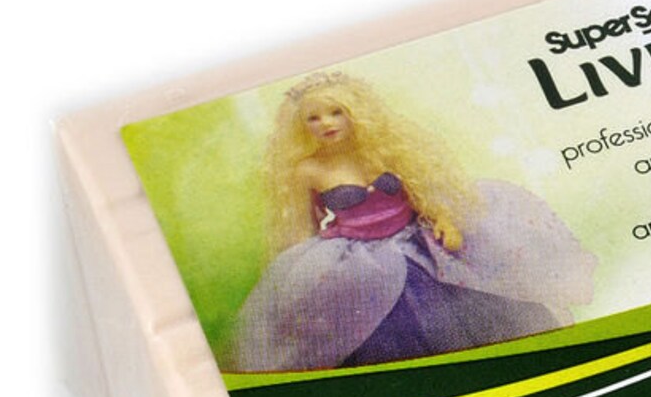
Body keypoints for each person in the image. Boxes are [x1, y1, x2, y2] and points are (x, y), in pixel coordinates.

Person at [230, 71, 595, 371]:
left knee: (473, 312)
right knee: (387, 336)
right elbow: (303, 226)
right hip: (361, 262)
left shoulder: (383, 150)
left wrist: (444, 219)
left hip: (418, 243)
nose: (326, 123)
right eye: (314, 117)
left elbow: (424, 189)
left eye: (336, 112)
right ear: (300, 126)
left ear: (354, 112)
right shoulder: (307, 170)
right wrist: (305, 277)